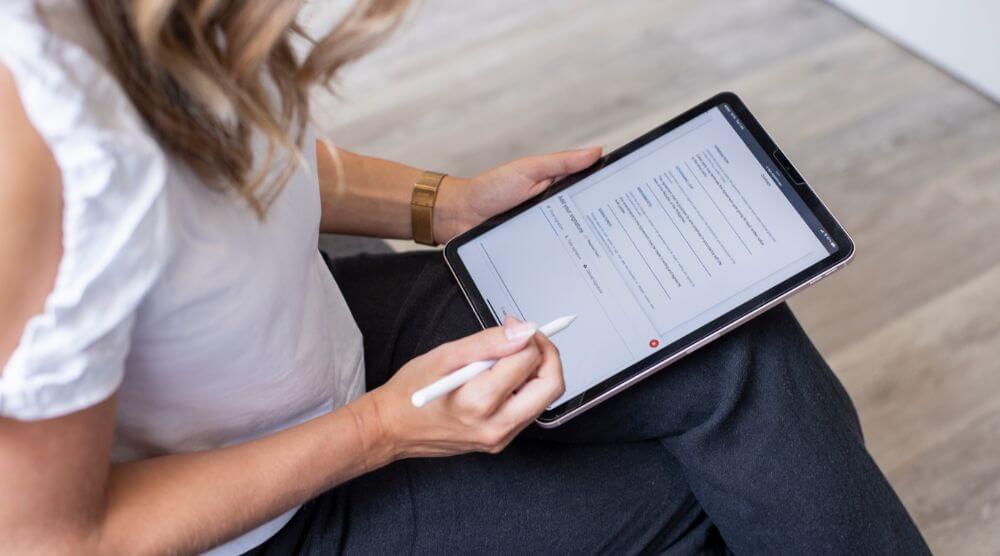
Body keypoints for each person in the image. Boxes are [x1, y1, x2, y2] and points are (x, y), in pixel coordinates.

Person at [0, 1, 930, 554]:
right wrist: (382, 433)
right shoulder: (34, 143)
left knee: (732, 342)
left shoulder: (155, 24)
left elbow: (239, 158)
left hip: (328, 346)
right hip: (256, 524)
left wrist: (446, 204)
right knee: (706, 502)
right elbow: (53, 542)